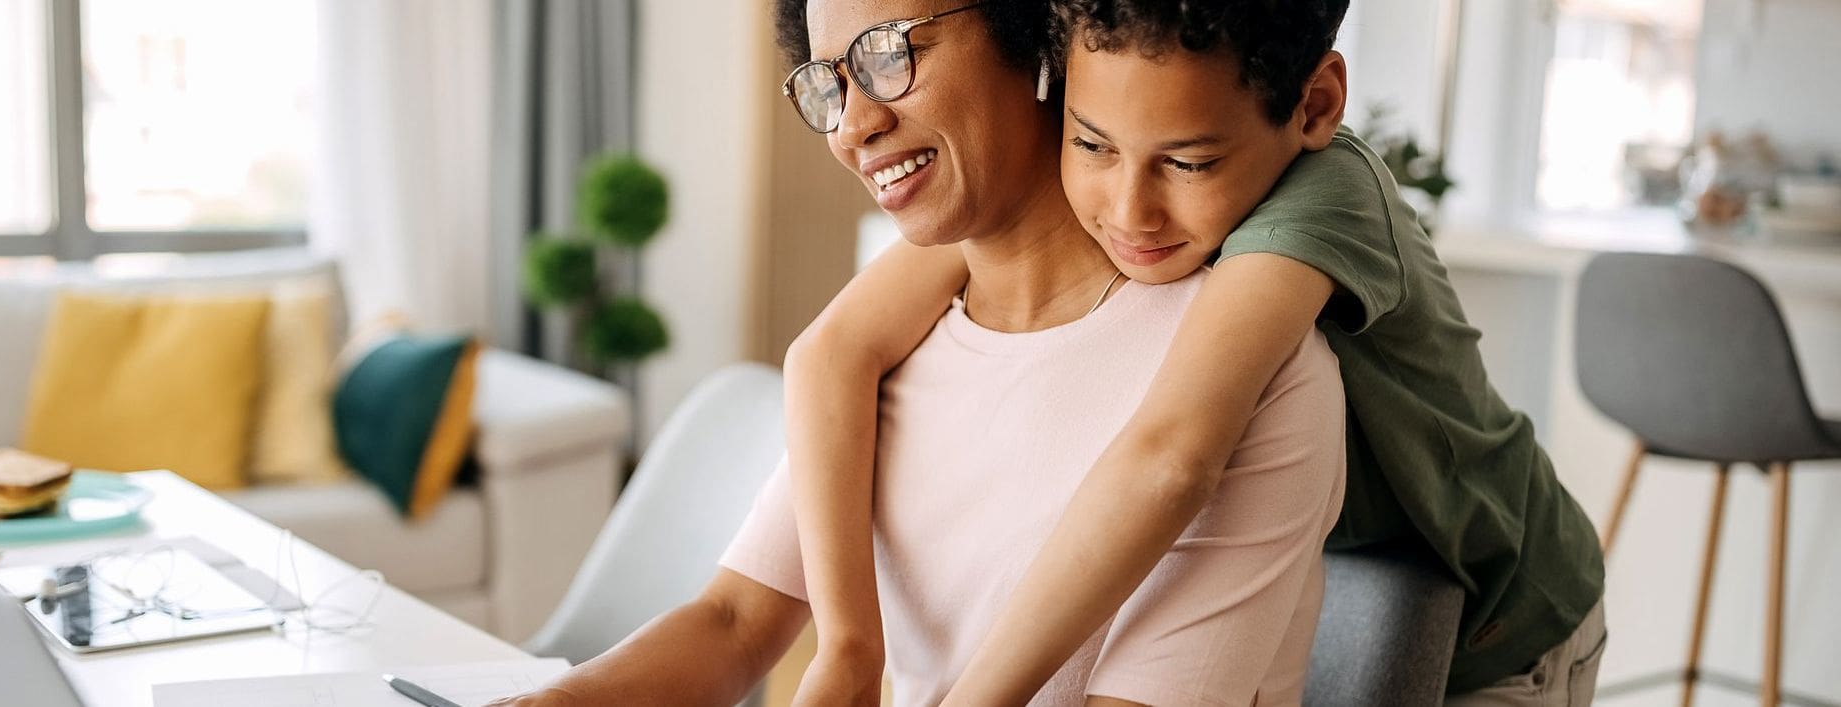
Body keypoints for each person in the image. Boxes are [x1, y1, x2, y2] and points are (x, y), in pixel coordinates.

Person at [490, 1, 1346, 704]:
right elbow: (735, 622)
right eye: (829, 82)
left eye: (890, 53)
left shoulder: (1246, 375)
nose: (854, 123)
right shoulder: (885, 349)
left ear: (1037, 39)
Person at [786, 1, 1609, 704]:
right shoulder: (1118, 138)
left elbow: (1172, 453)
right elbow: (829, 352)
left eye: (1188, 162)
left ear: (1317, 106)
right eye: (1090, 143)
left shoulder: (1325, 199)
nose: (1127, 213)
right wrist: (849, 647)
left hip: (1502, 617)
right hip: (1330, 564)